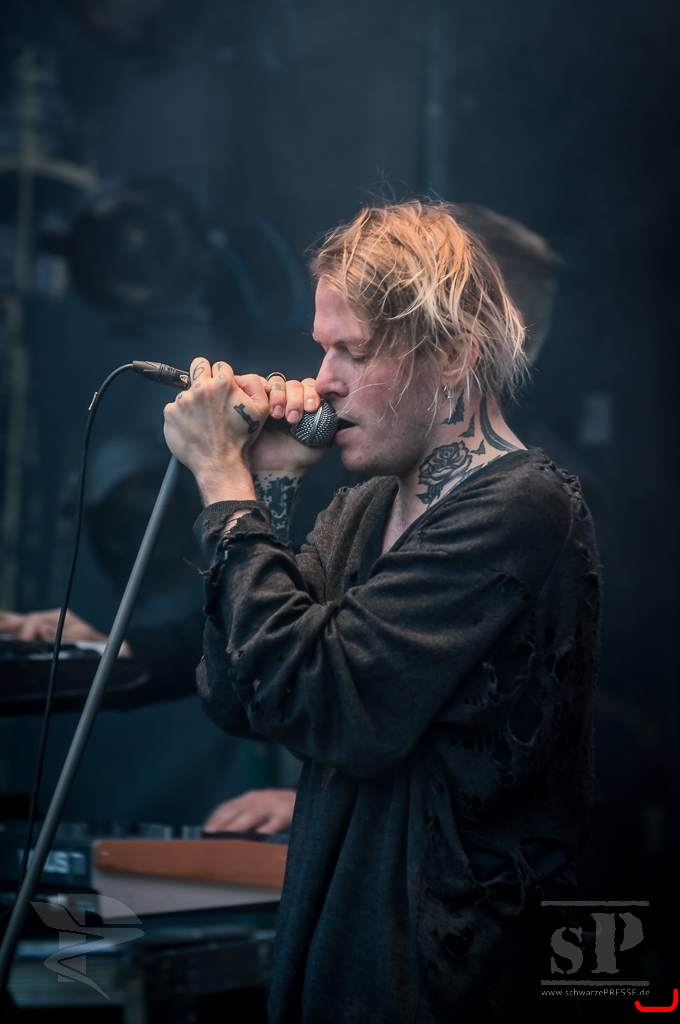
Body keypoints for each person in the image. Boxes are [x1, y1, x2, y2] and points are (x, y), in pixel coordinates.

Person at [162, 199, 601, 1023]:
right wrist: (271, 482)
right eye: (323, 347)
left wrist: (223, 483)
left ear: (455, 356)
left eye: (354, 352)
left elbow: (331, 703)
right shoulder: (363, 509)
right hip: (338, 961)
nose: (324, 379)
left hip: (451, 981)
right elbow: (240, 694)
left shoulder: (520, 506)